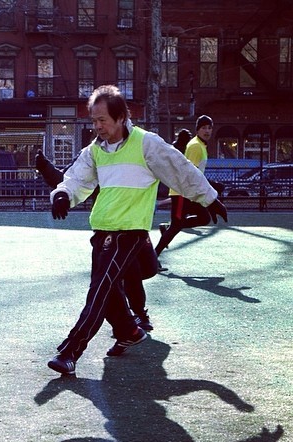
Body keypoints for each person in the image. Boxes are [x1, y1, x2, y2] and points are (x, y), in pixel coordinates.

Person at [47, 85, 227, 375]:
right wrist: (63, 194)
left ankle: (71, 351)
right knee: (107, 293)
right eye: (93, 120)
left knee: (99, 291)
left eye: (102, 120)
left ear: (120, 117)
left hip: (130, 233)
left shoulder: (146, 144)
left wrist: (209, 197)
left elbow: (180, 169)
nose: (97, 126)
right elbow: (77, 178)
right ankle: (129, 331)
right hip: (102, 231)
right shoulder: (95, 150)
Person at [35, 149, 156, 331]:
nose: (100, 127)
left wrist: (178, 146)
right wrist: (46, 168)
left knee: (148, 267)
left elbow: (168, 165)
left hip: (135, 222)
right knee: (123, 273)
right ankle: (130, 323)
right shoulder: (91, 154)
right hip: (109, 228)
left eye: (103, 120)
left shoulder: (136, 147)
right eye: (97, 121)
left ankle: (131, 321)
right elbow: (68, 180)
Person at [155, 116, 222, 259]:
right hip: (182, 193)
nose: (207, 131)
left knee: (204, 218)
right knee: (176, 226)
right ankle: (154, 257)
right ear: (197, 129)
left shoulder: (200, 145)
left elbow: (196, 173)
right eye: (204, 127)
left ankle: (166, 228)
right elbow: (189, 173)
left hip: (189, 192)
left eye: (209, 127)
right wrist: (211, 185)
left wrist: (209, 185)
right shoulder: (196, 146)